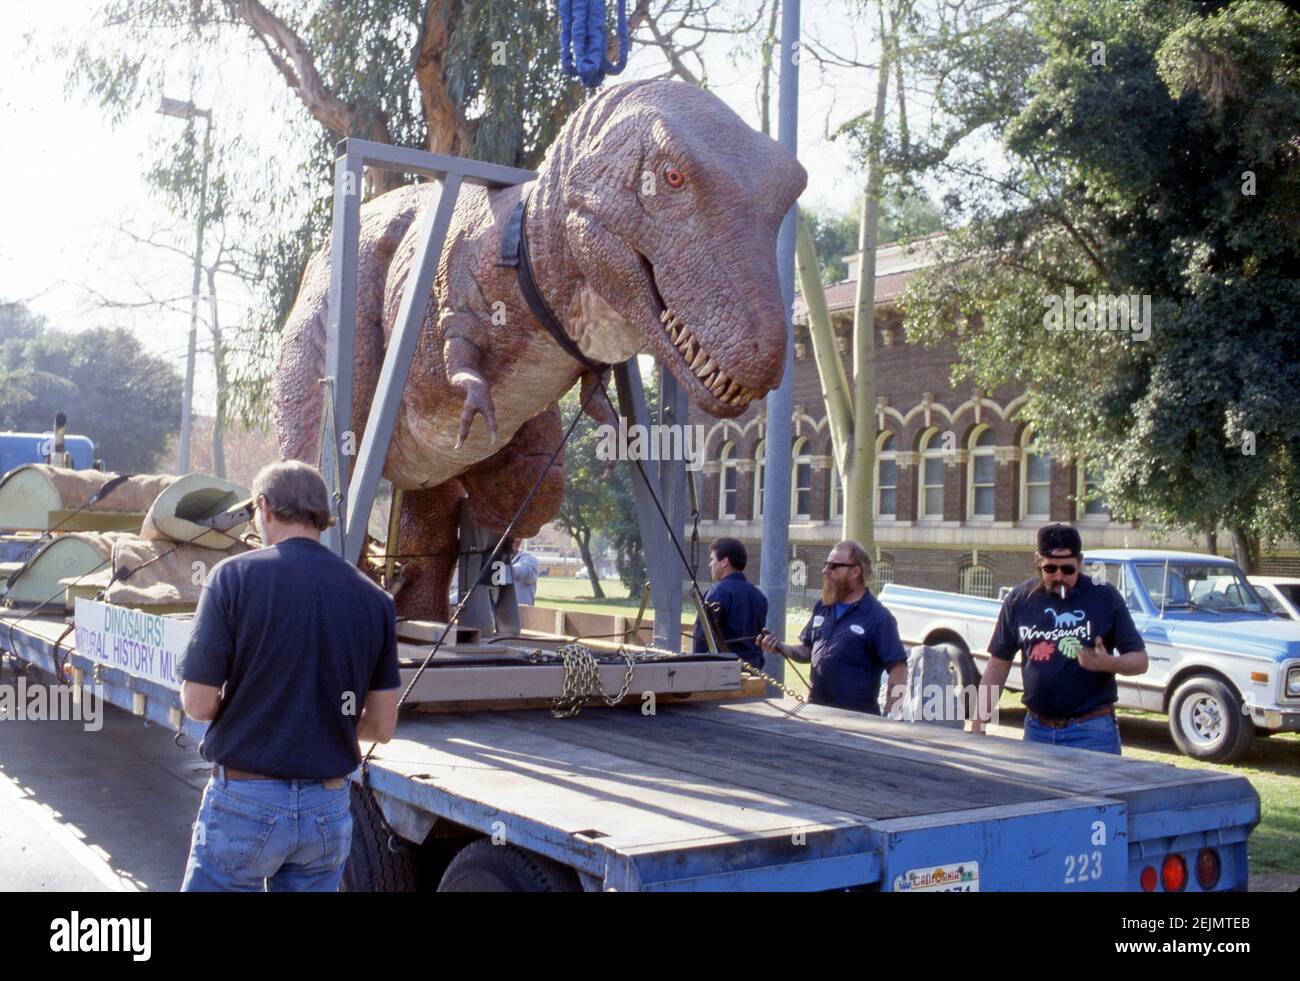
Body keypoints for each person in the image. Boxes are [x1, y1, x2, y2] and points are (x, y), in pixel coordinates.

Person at [178, 461, 401, 891]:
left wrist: (255, 714)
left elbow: (199, 703)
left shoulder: (232, 578)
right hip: (329, 807)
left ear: (263, 507)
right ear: (321, 516)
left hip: (244, 798)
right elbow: (383, 725)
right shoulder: (374, 600)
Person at [972, 523, 1148, 754]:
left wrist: (1108, 663)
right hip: (1037, 729)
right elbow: (998, 665)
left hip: (1092, 730)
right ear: (1038, 561)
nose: (1059, 576)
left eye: (1067, 570)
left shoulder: (1105, 597)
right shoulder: (1020, 600)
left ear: (1080, 562)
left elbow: (1140, 661)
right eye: (1050, 568)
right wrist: (978, 724)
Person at [758, 540, 908, 715]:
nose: (825, 571)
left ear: (855, 571)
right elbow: (808, 651)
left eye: (833, 566)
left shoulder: (878, 617)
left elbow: (899, 668)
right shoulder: (823, 606)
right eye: (825, 565)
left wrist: (892, 716)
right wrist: (780, 646)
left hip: (859, 721)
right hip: (817, 714)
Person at [691, 537, 768, 669]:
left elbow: (703, 636)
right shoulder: (759, 595)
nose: (710, 564)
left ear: (724, 562)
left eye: (712, 559)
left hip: (723, 673)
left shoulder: (718, 592)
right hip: (754, 672)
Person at [508, 538, 540, 606]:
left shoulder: (529, 559)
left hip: (523, 614)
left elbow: (524, 571)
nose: (517, 539)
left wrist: (500, 570)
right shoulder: (492, 559)